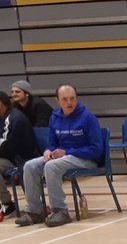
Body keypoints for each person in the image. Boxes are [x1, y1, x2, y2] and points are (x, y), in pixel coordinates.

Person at [16, 84, 103, 227]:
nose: (69, 102)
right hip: (63, 157)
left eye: (72, 98)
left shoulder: (88, 118)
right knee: (30, 166)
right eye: (65, 99)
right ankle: (35, 211)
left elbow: (96, 149)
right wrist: (48, 151)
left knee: (51, 166)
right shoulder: (55, 117)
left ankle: (60, 211)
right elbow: (52, 143)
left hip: (86, 159)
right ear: (57, 100)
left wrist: (67, 152)